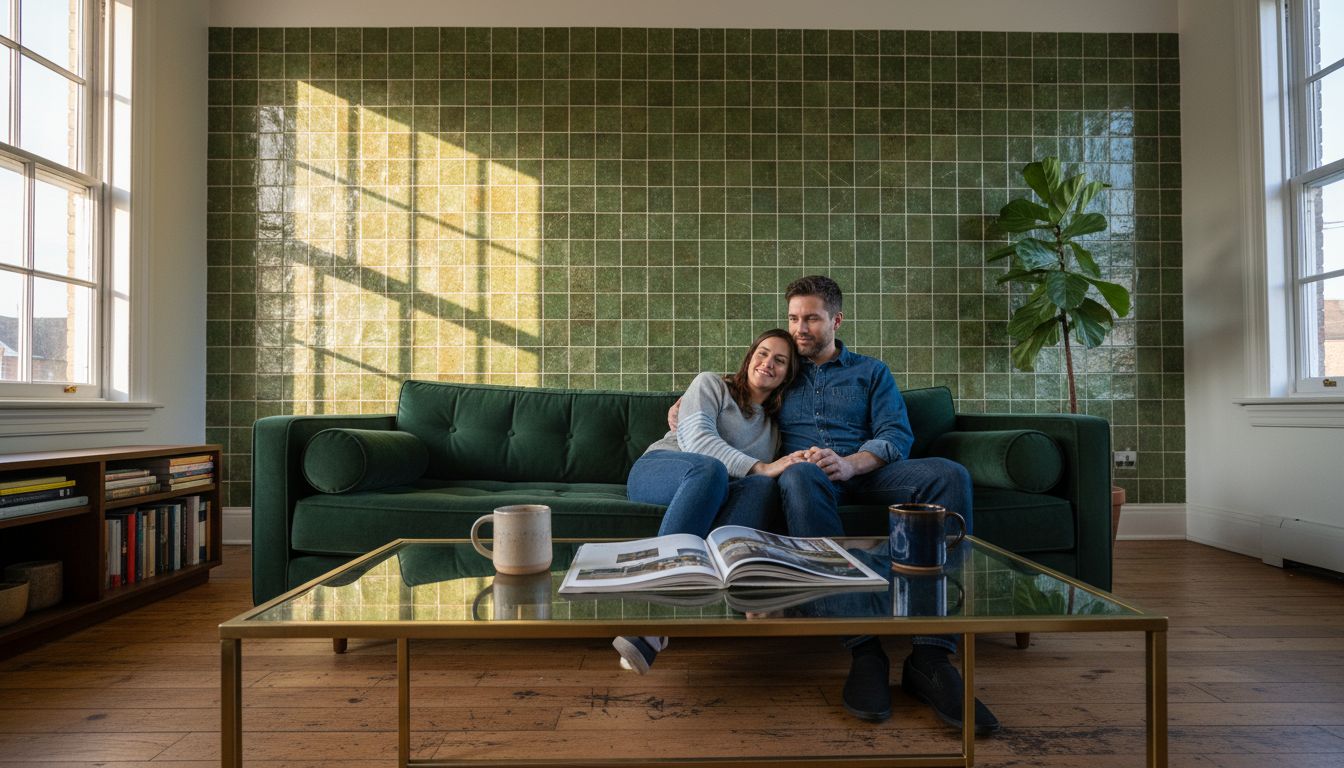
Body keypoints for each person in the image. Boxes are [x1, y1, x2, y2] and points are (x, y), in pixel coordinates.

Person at [771, 275, 999, 735]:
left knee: (948, 474)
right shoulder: (779, 370)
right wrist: (686, 406)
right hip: (812, 480)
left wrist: (854, 464)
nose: (800, 328)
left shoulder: (872, 372)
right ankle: (865, 650)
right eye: (794, 318)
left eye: (811, 318)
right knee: (797, 475)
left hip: (870, 475)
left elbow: (897, 435)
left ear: (836, 320)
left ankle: (931, 657)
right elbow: (734, 393)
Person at [614, 329, 808, 674]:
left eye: (780, 361)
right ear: (749, 357)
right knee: (714, 470)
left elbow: (756, 481)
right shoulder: (710, 384)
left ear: (787, 375)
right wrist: (761, 466)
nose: (768, 363)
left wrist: (768, 472)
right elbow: (697, 440)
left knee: (762, 488)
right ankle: (652, 613)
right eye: (762, 353)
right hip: (660, 471)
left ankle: (728, 587)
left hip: (715, 491)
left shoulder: (775, 428)